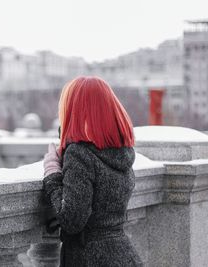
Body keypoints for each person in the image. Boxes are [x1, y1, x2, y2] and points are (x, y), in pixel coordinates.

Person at [43, 76, 143, 266]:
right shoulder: (122, 153)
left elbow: (72, 220)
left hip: (90, 258)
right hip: (123, 255)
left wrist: (52, 173)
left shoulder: (80, 154)